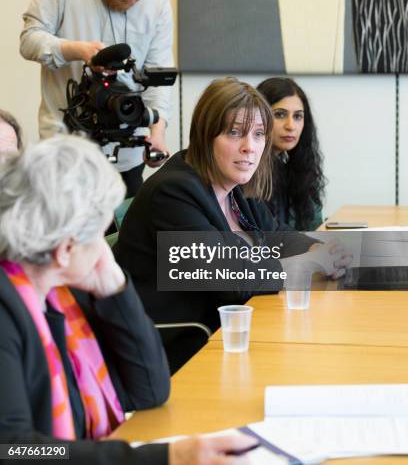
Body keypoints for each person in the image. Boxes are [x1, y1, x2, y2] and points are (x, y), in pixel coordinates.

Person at [0, 134, 257, 464]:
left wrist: (115, 289)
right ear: (64, 250)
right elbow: (15, 450)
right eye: (95, 234)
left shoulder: (64, 295)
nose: (102, 248)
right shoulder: (8, 313)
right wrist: (167, 457)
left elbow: (149, 390)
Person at [114, 78, 349, 372]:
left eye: (259, 134)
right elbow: (230, 278)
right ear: (204, 135)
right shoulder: (172, 193)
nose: (250, 147)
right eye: (235, 133)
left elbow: (278, 237)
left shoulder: (234, 187)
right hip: (178, 350)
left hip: (229, 338)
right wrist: (308, 263)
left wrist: (320, 249)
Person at [20, 0, 174, 196]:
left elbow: (157, 77)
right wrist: (77, 50)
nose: (132, 2)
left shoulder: (158, 3)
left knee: (125, 237)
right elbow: (29, 40)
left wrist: (157, 133)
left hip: (128, 153)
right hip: (65, 149)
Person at [257, 77, 325, 231]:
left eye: (297, 116)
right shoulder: (245, 170)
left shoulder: (296, 165)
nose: (291, 126)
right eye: (280, 114)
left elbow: (314, 228)